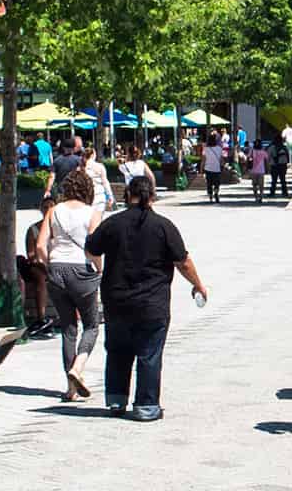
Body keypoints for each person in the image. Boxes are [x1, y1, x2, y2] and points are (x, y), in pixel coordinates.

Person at [86, 174, 206, 421]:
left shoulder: (113, 223)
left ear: (128, 194)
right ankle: (146, 406)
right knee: (149, 354)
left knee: (118, 350)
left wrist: (100, 268)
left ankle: (116, 401)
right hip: (152, 303)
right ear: (152, 196)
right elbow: (182, 261)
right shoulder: (163, 226)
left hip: (116, 300)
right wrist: (198, 285)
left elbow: (91, 248)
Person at [42, 167, 106, 401]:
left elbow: (40, 246)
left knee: (68, 329)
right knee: (91, 325)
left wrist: (48, 265)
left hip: (56, 269)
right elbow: (93, 248)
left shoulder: (54, 211)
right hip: (81, 271)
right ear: (88, 190)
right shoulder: (93, 213)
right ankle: (78, 367)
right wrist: (100, 269)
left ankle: (70, 390)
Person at [201, 135, 226, 204]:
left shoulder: (205, 149)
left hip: (208, 169)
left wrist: (201, 169)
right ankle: (216, 193)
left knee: (209, 184)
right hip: (217, 169)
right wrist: (224, 166)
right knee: (217, 183)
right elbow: (221, 160)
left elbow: (203, 160)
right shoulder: (219, 148)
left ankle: (211, 198)